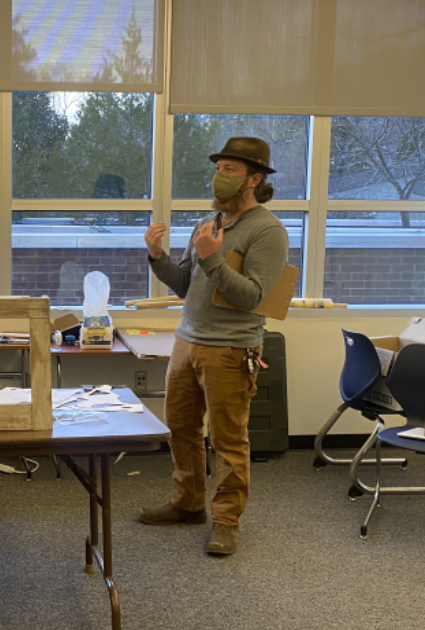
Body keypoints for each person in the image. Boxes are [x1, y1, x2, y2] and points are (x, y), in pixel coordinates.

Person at [138, 137, 288, 556]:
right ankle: (187, 505)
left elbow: (253, 297)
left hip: (230, 350)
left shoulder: (268, 231)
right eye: (218, 168)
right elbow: (187, 284)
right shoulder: (208, 223)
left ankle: (226, 521)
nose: (219, 176)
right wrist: (156, 256)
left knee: (228, 439)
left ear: (254, 179)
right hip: (187, 341)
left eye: (229, 170)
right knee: (182, 431)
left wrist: (212, 258)